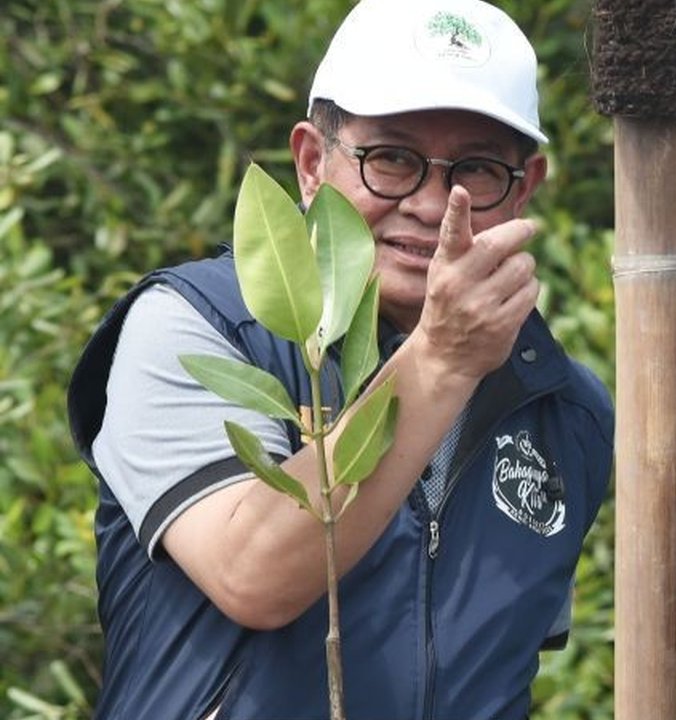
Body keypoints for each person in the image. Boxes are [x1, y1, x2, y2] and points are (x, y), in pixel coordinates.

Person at [66, 1, 613, 718]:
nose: (428, 201)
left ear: (526, 188)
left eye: (476, 169)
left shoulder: (564, 409)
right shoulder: (195, 330)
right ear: (311, 164)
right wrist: (442, 362)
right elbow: (253, 576)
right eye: (391, 158)